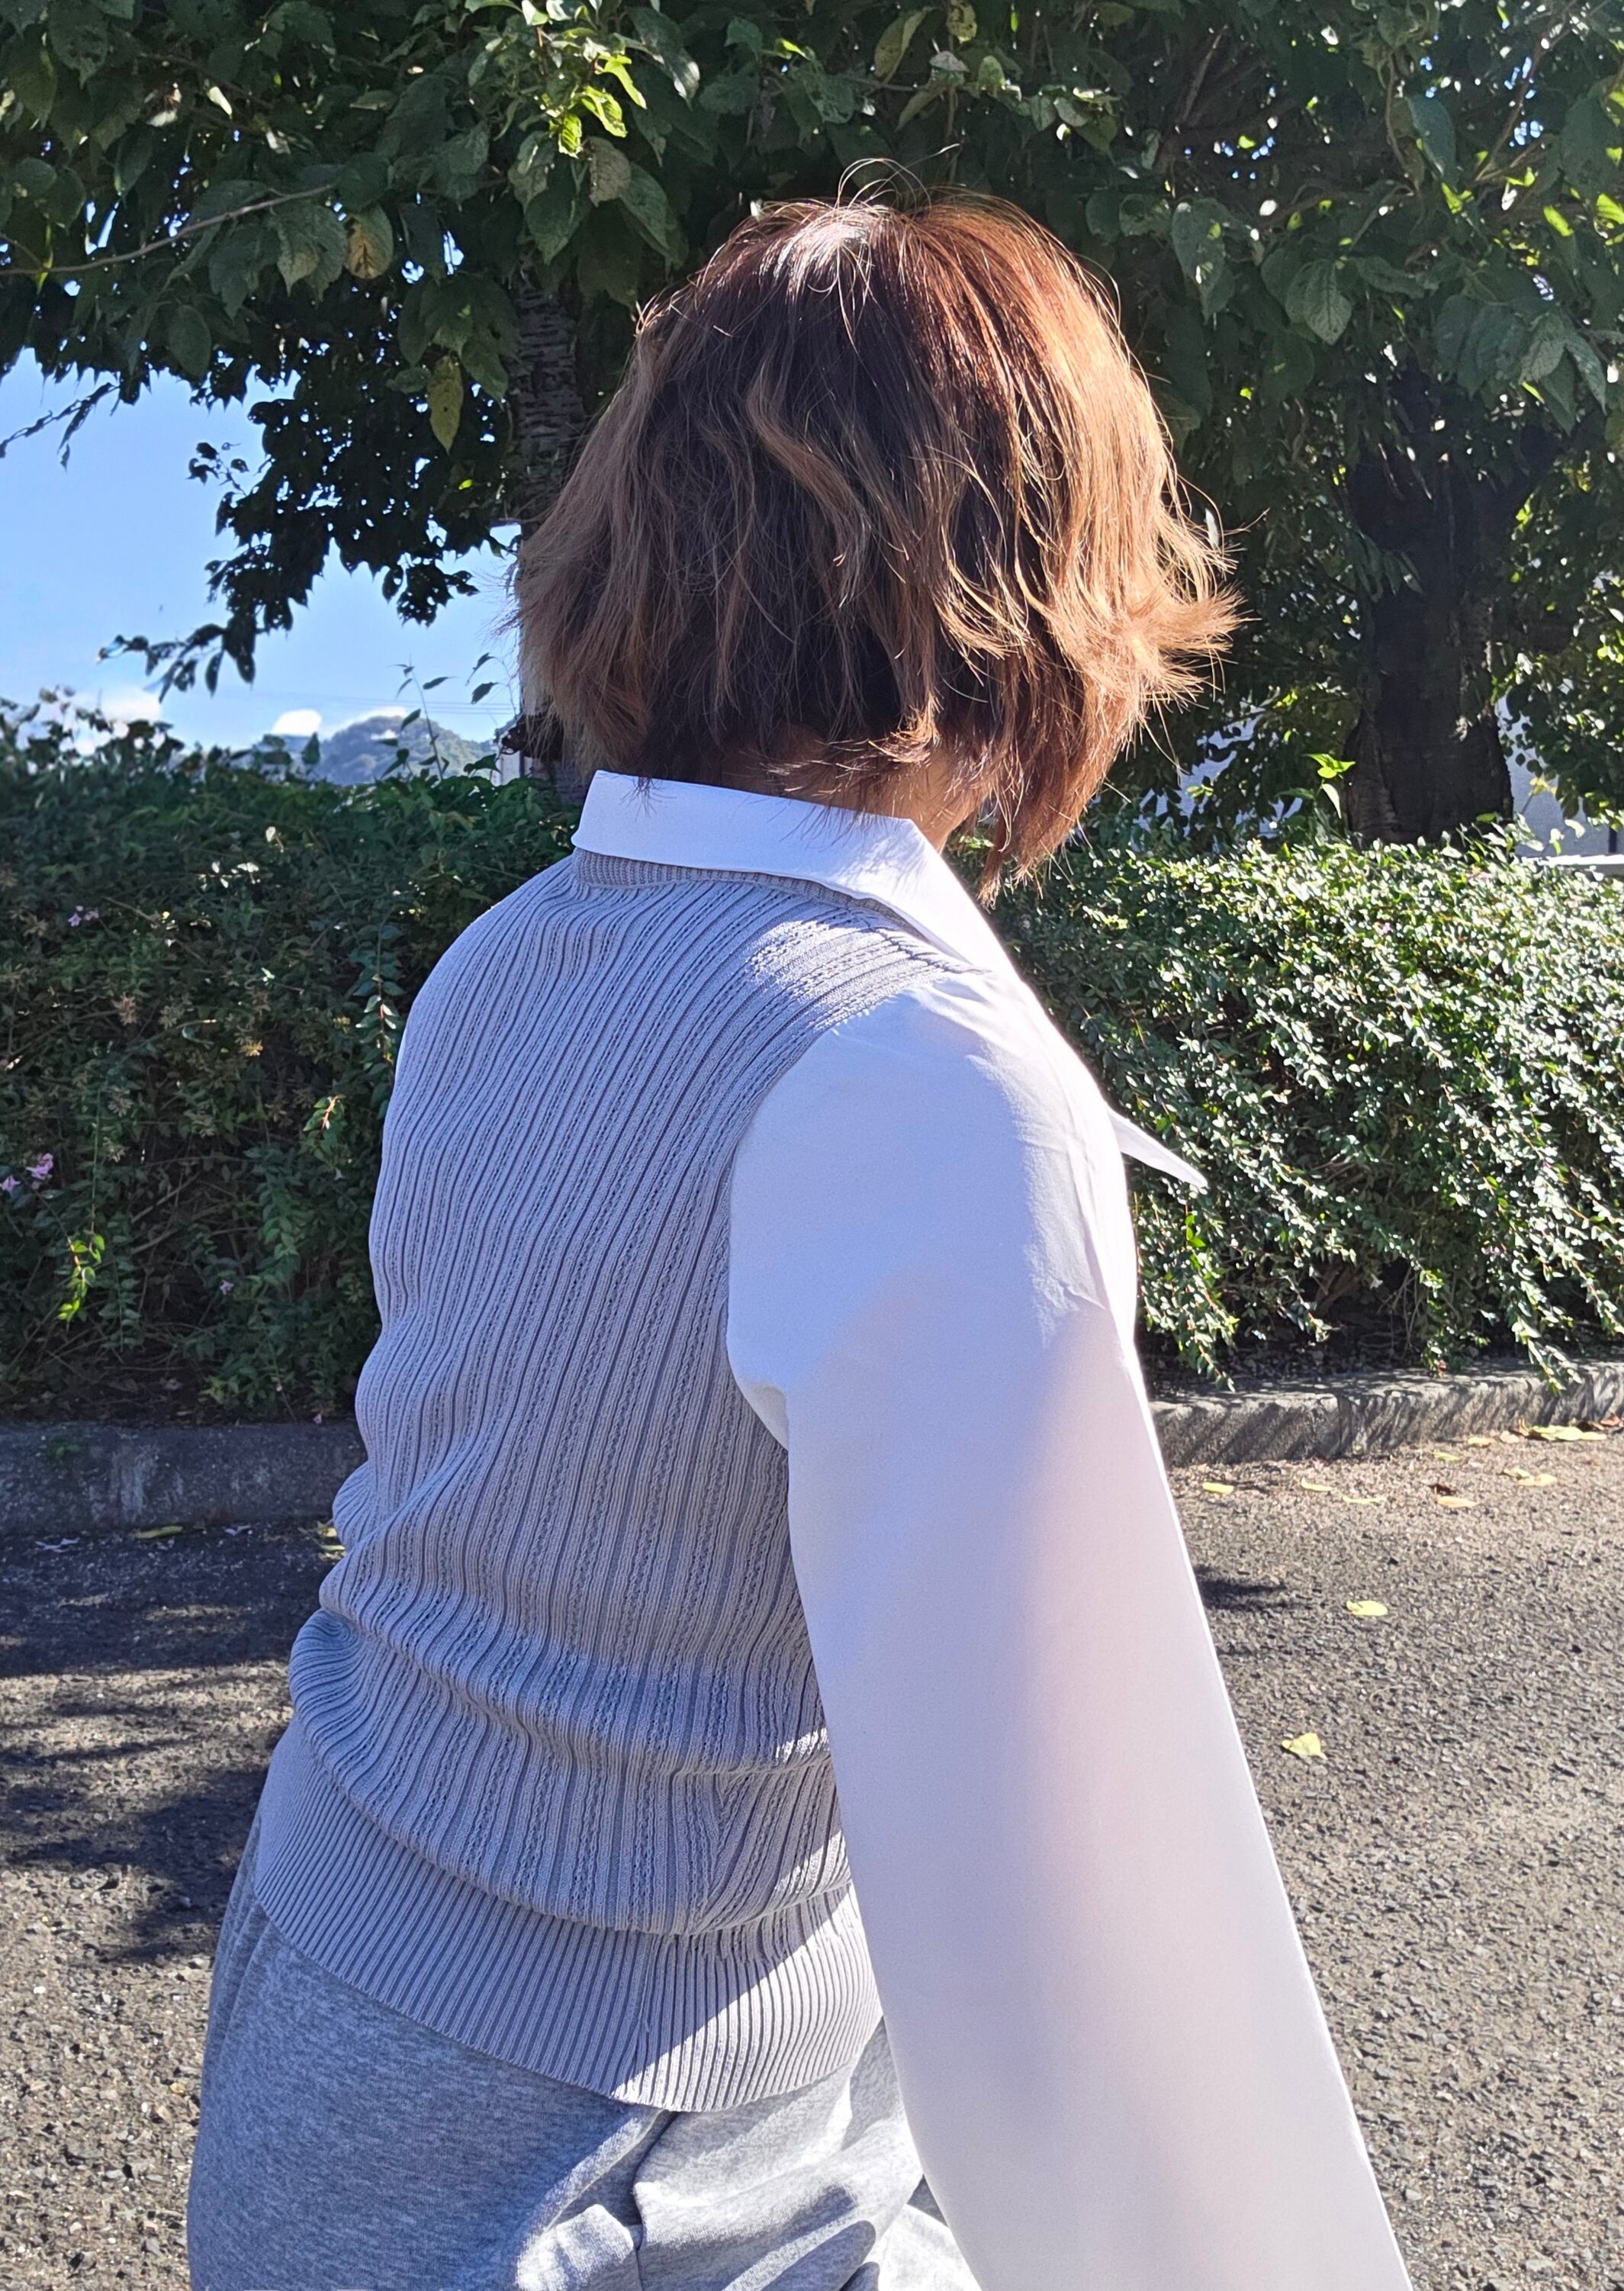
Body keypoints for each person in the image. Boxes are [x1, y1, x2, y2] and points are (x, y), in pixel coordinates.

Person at [187, 191, 1414, 2291]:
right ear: (1034, 584)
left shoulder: (506, 963)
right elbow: (1075, 1941)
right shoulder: (918, 1076)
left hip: (335, 1972)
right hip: (597, 2154)